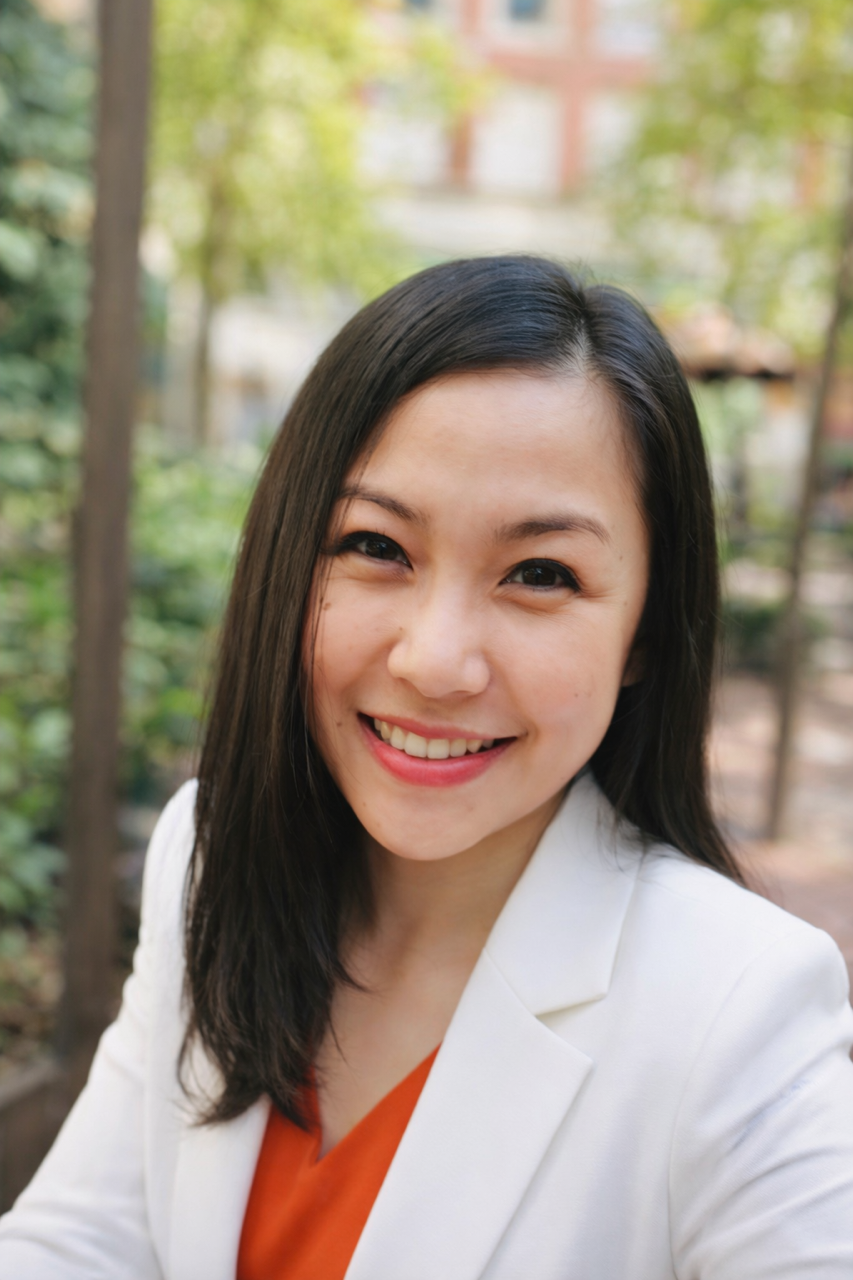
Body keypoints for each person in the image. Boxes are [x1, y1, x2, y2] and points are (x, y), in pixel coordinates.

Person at [1, 256, 852, 1279]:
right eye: (375, 544)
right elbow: (81, 1242)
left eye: (541, 573)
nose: (435, 659)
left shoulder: (738, 1004)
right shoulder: (213, 853)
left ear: (641, 637)